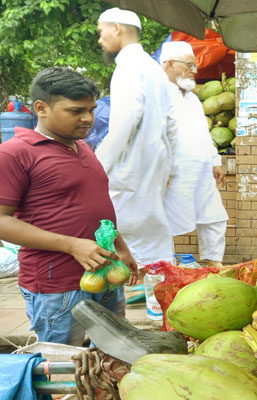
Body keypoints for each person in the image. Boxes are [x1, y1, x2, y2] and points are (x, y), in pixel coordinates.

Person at [0, 67, 138, 346]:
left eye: (91, 109)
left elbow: (97, 208)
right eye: (76, 111)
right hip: (57, 285)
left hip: (105, 272)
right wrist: (73, 245)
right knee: (63, 363)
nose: (88, 118)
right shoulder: (12, 154)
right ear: (41, 107)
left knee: (114, 353)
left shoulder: (83, 148)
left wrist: (121, 248)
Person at [95, 8, 177, 268]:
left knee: (131, 236)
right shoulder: (153, 68)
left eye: (101, 31)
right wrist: (169, 167)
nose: (100, 40)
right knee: (153, 231)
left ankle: (148, 290)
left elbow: (125, 122)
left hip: (132, 164)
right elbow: (172, 123)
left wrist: (98, 166)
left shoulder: (129, 67)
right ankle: (158, 292)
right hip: (154, 162)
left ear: (116, 28)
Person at [159, 41, 229, 268]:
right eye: (188, 65)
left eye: (194, 65)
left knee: (214, 216)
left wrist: (215, 161)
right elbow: (153, 135)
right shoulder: (157, 95)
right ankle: (162, 268)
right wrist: (162, 168)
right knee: (164, 222)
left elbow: (203, 133)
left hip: (201, 169)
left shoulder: (191, 98)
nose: (193, 70)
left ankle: (213, 263)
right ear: (169, 64)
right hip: (173, 171)